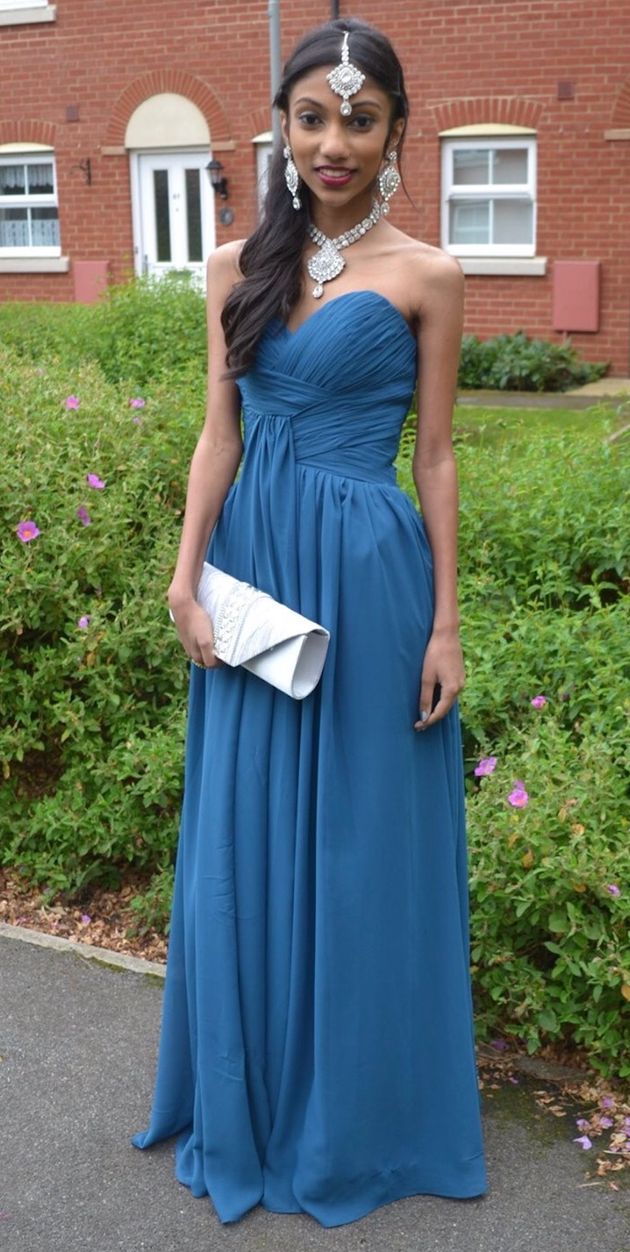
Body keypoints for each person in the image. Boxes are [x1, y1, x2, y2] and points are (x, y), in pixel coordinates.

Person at [131, 15, 488, 1229]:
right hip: (250, 581)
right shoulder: (235, 265)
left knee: (357, 840)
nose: (334, 140)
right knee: (242, 834)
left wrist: (444, 622)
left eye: (361, 117)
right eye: (313, 116)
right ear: (283, 127)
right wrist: (185, 578)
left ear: (395, 133)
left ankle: (354, 1112)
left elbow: (435, 456)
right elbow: (218, 435)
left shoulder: (429, 274)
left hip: (368, 581)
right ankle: (253, 1095)